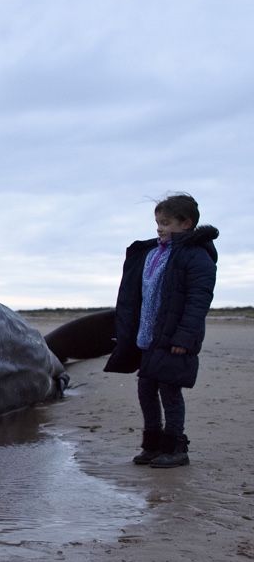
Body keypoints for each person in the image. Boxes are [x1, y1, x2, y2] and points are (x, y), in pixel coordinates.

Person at [103, 194, 219, 467]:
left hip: (173, 337)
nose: (159, 227)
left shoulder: (197, 257)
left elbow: (198, 301)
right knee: (146, 389)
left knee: (169, 391)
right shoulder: (152, 253)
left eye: (165, 222)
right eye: (157, 222)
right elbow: (137, 297)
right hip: (148, 337)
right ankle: (153, 445)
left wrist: (184, 338)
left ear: (186, 223)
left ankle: (176, 447)